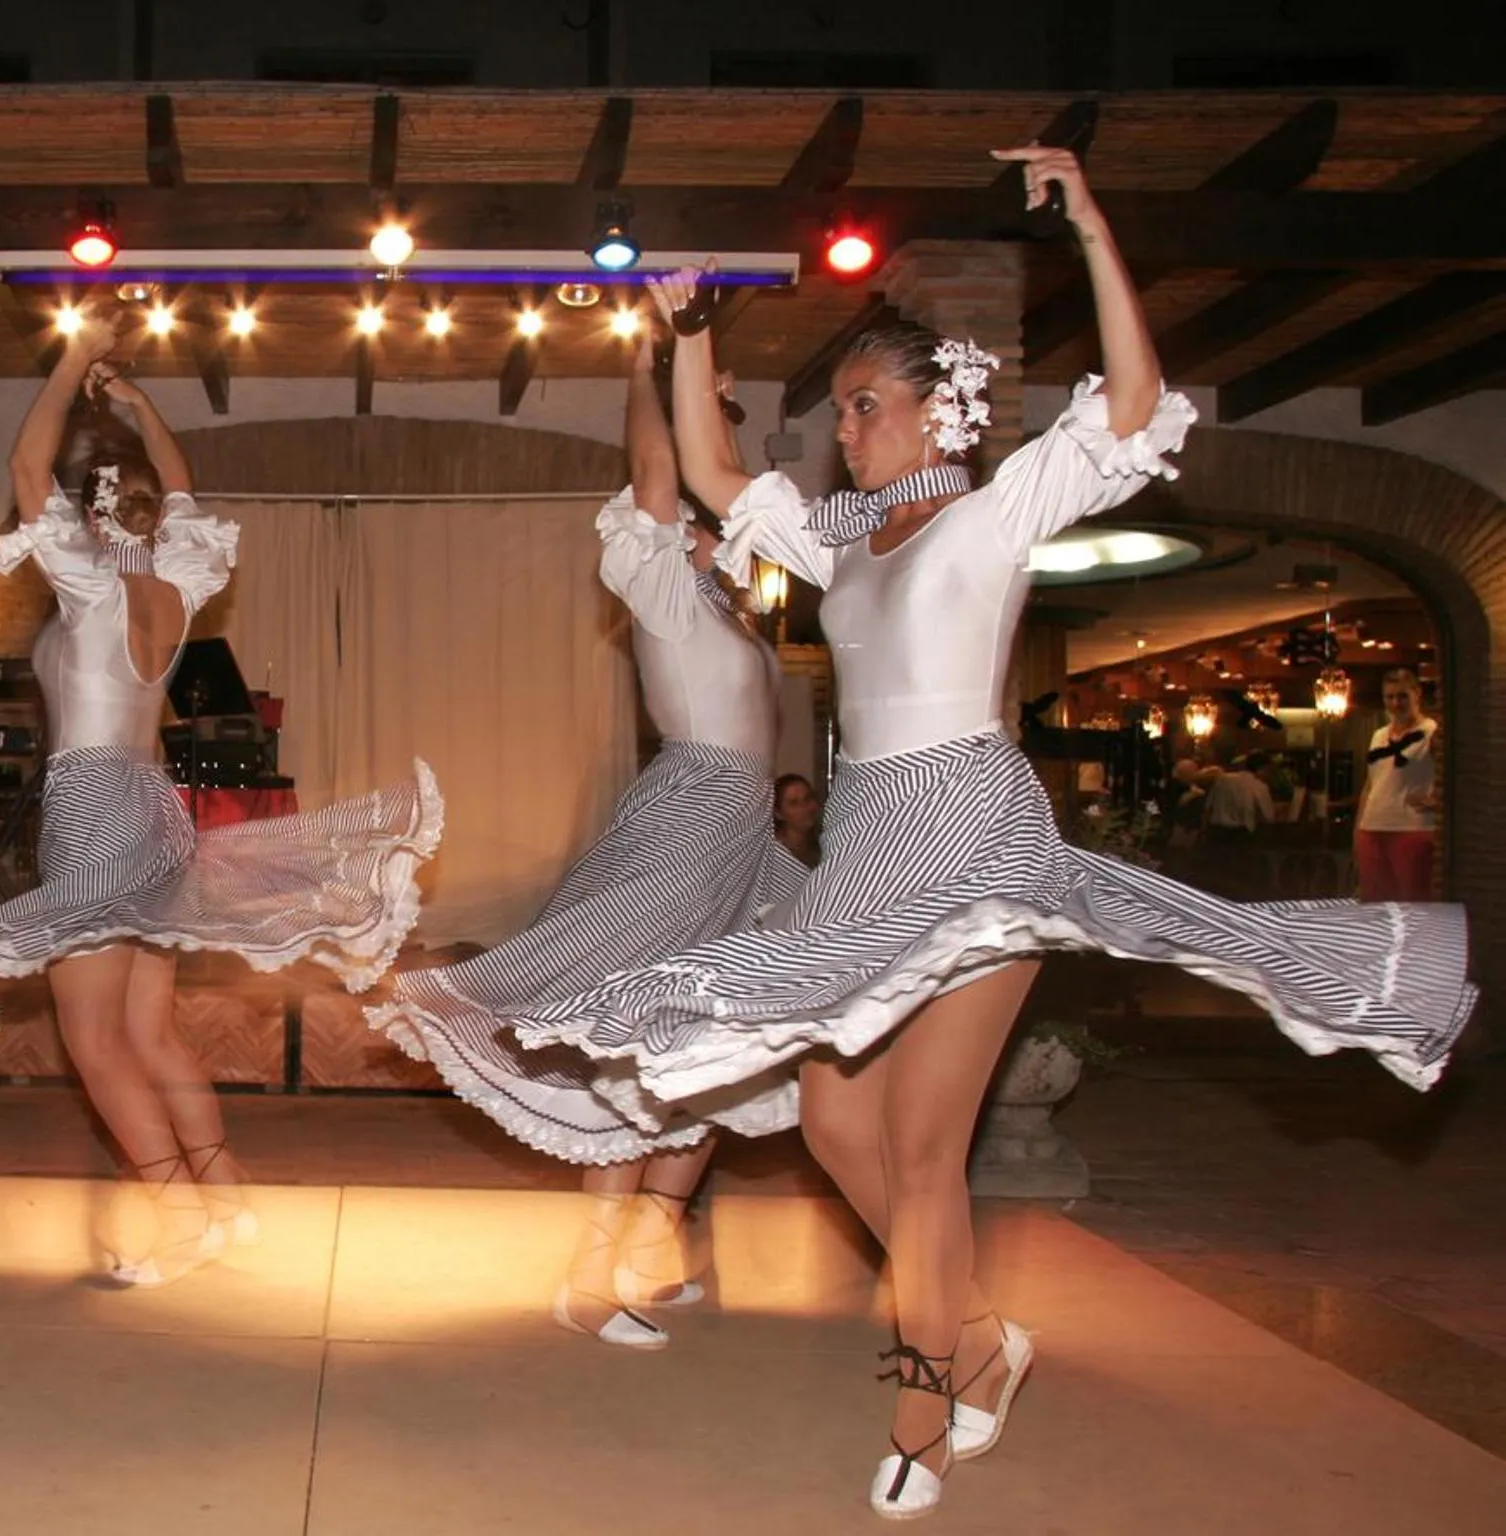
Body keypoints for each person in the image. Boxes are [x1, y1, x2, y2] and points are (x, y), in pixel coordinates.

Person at [516, 146, 1472, 1520]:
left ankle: (926, 1398)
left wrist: (1091, 223)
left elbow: (1133, 402)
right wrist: (686, 330)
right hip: (863, 851)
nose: (842, 430)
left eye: (862, 407)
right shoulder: (844, 543)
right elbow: (721, 475)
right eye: (840, 409)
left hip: (969, 840)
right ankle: (980, 1348)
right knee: (836, 1127)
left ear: (939, 414)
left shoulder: (996, 507)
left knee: (918, 1154)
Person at [0, 318, 441, 1287]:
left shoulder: (92, 587)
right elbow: (184, 491)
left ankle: (178, 1217)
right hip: (154, 804)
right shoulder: (175, 586)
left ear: (92, 519)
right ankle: (223, 1200)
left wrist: (67, 361)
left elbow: (23, 461)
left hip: (95, 807)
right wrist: (137, 405)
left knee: (94, 1041)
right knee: (148, 1032)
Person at [365, 323, 804, 1349]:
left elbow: (699, 477)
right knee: (639, 1044)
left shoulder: (733, 609)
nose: (716, 523)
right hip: (689, 823)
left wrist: (705, 402)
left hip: (738, 836)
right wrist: (649, 367)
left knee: (719, 1056)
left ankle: (648, 1250)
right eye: (697, 517)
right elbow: (656, 469)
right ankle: (589, 1276)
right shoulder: (662, 587)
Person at [1356, 670, 1441, 902]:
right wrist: (1358, 831)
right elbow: (1370, 785)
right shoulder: (1379, 735)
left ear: (1417, 694)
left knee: (1412, 904)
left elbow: (1460, 773)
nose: (1395, 703)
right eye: (1389, 697)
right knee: (1374, 905)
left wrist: (1437, 801)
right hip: (1372, 829)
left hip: (1411, 830)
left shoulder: (1431, 732)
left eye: (1402, 696)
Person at [775, 773, 824, 868]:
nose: (805, 808)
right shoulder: (774, 854)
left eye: (808, 798)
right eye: (794, 803)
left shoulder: (824, 845)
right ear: (778, 813)